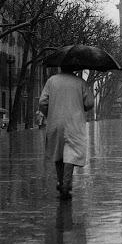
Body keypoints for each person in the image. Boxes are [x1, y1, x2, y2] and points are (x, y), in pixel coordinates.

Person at [39, 66, 94, 200]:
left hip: (55, 122)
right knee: (72, 153)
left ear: (60, 66)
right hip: (74, 123)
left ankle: (61, 181)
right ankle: (66, 183)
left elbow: (42, 102)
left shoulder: (51, 81)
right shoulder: (80, 82)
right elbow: (89, 103)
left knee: (58, 153)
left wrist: (49, 114)